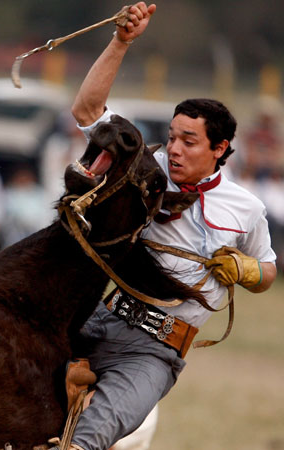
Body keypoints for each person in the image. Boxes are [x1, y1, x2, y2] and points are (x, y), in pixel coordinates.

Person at [56, 3, 278, 449]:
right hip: (99, 318)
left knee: (88, 438)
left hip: (154, 354)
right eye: (172, 137)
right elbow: (86, 111)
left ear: (220, 148)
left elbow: (268, 269)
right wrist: (122, 41)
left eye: (188, 141)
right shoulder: (144, 170)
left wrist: (249, 272)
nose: (173, 149)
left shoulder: (247, 208)